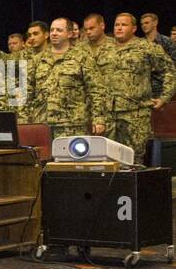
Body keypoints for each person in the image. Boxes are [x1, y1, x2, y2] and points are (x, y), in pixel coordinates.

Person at [104, 12, 175, 159]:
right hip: (108, 115)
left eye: (124, 25)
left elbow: (169, 70)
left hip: (136, 114)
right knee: (108, 161)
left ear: (134, 28)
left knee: (133, 160)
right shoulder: (105, 49)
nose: (119, 28)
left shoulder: (147, 48)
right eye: (117, 25)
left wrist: (164, 97)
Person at [26, 18, 101, 139]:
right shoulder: (37, 60)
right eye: (52, 30)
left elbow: (96, 90)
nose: (54, 33)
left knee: (71, 158)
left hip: (72, 124)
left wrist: (98, 119)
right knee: (42, 158)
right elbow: (27, 92)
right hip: (42, 124)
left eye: (59, 30)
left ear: (70, 34)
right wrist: (25, 120)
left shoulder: (82, 57)